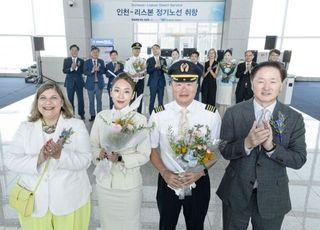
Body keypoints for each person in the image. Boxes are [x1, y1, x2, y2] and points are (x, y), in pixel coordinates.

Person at [216, 61, 307, 230]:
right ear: (251, 83)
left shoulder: (294, 118)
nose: (266, 87)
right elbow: (224, 149)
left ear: (282, 85)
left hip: (273, 195)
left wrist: (271, 148)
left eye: (273, 81)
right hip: (236, 191)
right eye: (260, 81)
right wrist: (246, 143)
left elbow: (299, 159)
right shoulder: (234, 113)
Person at [5, 82, 91, 230]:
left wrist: (60, 155)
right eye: (43, 98)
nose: (48, 103)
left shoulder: (76, 125)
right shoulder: (25, 128)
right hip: (35, 204)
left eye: (54, 98)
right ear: (37, 102)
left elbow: (85, 160)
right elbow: (10, 160)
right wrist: (38, 159)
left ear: (62, 101)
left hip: (70, 202)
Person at [149, 60, 221, 230]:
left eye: (189, 83)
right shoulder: (159, 114)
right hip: (168, 180)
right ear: (171, 85)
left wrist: (199, 172)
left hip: (198, 179)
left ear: (197, 85)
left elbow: (214, 150)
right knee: (166, 225)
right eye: (178, 83)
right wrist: (165, 173)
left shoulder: (211, 114)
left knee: (196, 225)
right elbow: (152, 149)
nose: (184, 89)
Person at [90, 73, 151, 230]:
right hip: (105, 183)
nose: (121, 95)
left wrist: (121, 158)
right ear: (110, 92)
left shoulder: (139, 120)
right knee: (107, 223)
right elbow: (91, 147)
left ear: (133, 95)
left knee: (129, 224)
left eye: (126, 91)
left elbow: (144, 154)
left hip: (129, 185)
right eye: (117, 90)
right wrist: (100, 154)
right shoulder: (101, 117)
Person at [62, 44, 85, 119]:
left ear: (78, 51)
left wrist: (76, 68)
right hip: (69, 83)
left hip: (79, 83)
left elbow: (83, 71)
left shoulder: (81, 61)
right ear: (70, 51)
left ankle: (81, 114)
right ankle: (71, 113)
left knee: (81, 100)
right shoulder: (66, 60)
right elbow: (64, 70)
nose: (74, 51)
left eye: (76, 50)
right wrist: (71, 68)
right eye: (72, 50)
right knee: (70, 99)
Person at [84, 46, 106, 121]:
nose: (95, 53)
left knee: (99, 100)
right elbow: (85, 71)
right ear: (91, 53)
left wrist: (99, 70)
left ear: (98, 53)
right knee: (91, 101)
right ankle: (92, 115)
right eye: (94, 52)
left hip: (99, 84)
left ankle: (99, 115)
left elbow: (104, 71)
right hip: (90, 84)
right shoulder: (87, 62)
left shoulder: (101, 61)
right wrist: (92, 71)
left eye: (97, 52)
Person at [124, 42, 147, 113]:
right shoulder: (128, 60)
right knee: (132, 98)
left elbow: (145, 72)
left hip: (140, 81)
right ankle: (132, 113)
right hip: (132, 81)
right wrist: (131, 75)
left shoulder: (143, 60)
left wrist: (142, 74)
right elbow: (126, 71)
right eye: (135, 49)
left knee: (140, 98)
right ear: (132, 50)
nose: (137, 51)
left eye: (138, 49)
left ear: (140, 51)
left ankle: (139, 113)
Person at [146, 44, 167, 115]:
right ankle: (151, 114)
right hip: (153, 83)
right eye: (153, 49)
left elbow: (166, 70)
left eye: (156, 48)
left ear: (159, 50)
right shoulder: (149, 60)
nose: (155, 50)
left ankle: (159, 114)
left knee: (160, 100)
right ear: (152, 50)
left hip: (161, 83)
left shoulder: (163, 59)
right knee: (152, 100)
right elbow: (148, 71)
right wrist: (155, 66)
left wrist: (161, 67)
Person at [216, 49, 237, 117]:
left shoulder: (233, 65)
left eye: (228, 55)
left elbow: (234, 77)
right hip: (221, 86)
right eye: (225, 55)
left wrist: (229, 78)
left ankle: (226, 118)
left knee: (227, 103)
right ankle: (219, 117)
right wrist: (222, 76)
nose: (227, 56)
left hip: (228, 86)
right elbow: (217, 76)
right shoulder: (220, 64)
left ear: (231, 56)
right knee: (220, 103)